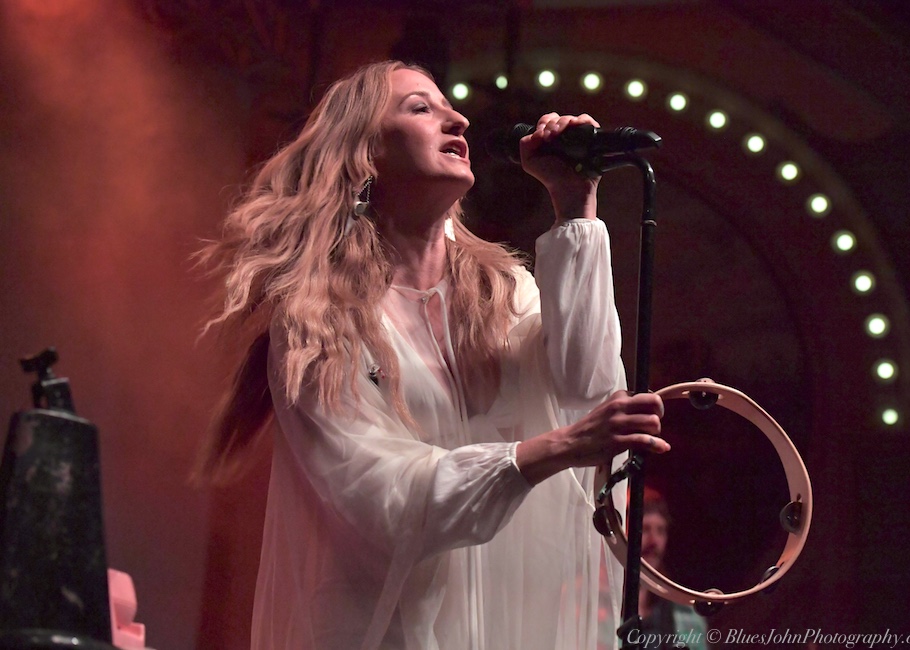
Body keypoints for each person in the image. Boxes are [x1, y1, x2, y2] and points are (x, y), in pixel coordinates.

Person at [197, 59, 669, 650]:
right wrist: (549, 450)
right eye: (420, 107)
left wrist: (575, 206)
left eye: (449, 106)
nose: (459, 119)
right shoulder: (320, 320)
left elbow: (587, 388)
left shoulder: (508, 293)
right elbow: (377, 493)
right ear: (365, 154)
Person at [638, 489, 709, 650]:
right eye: (645, 529)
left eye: (660, 531)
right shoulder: (600, 604)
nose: (653, 541)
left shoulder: (686, 614)